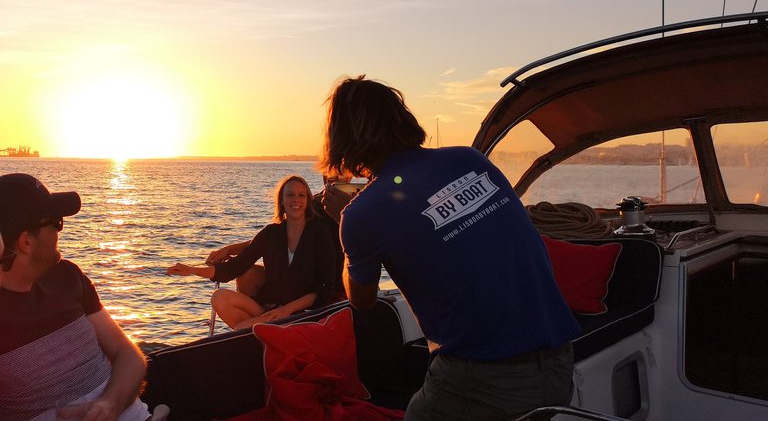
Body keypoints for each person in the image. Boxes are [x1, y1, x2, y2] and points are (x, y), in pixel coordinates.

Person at [318, 76, 582, 421]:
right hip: (559, 362)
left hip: (484, 379)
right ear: (403, 118)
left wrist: (343, 224)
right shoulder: (470, 160)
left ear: (344, 138)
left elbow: (361, 300)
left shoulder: (361, 214)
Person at [0, 173, 150, 421]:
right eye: (56, 223)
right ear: (26, 241)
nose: (60, 232)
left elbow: (127, 353)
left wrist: (110, 404)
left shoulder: (67, 276)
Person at [167, 175, 336, 330]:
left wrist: (286, 310)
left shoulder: (320, 233)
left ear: (307, 201)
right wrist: (192, 270)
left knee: (242, 329)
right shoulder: (271, 233)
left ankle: (264, 333)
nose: (296, 200)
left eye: (301, 195)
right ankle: (268, 333)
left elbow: (323, 288)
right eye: (290, 195)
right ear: (282, 201)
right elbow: (234, 268)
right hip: (269, 307)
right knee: (219, 297)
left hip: (299, 312)